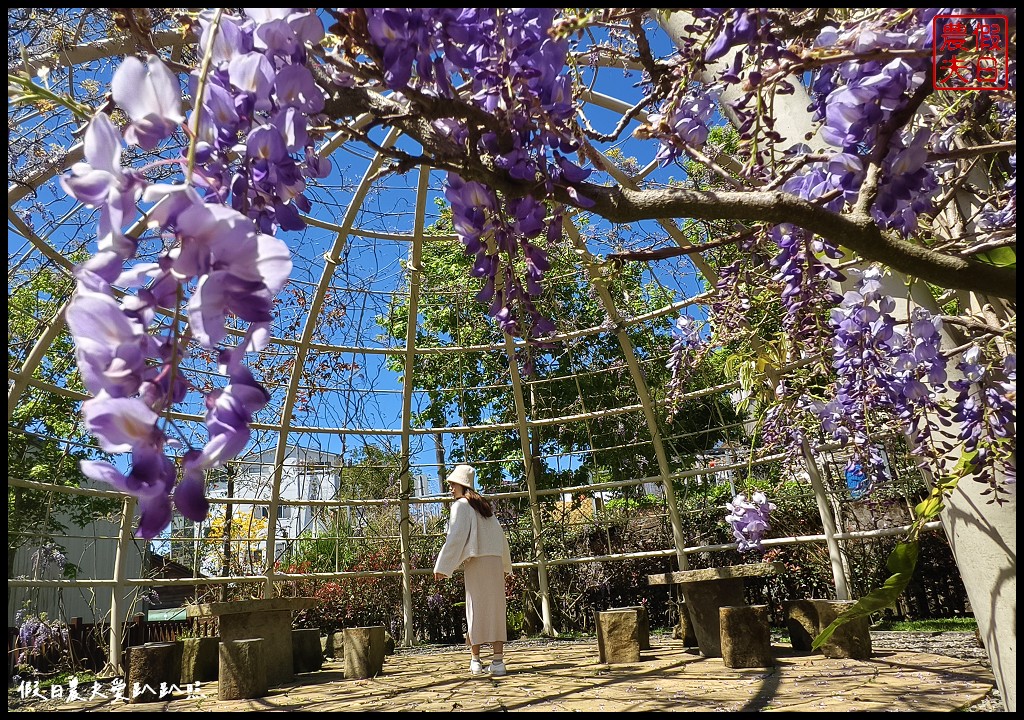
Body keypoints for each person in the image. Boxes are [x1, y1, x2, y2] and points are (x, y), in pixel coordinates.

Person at [433, 464, 513, 677]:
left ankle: (476, 660)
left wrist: (443, 566)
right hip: (493, 561)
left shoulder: (461, 506)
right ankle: (498, 661)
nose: (450, 489)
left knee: (474, 608)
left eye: (452, 485)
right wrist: (505, 563)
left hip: (476, 562)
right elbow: (500, 537)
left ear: (461, 485)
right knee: (496, 608)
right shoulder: (483, 507)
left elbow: (455, 538)